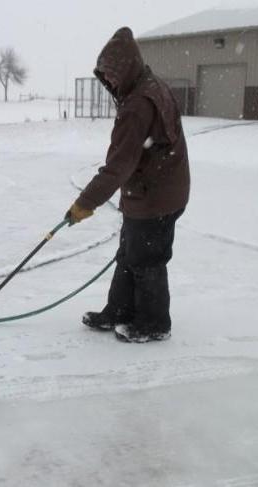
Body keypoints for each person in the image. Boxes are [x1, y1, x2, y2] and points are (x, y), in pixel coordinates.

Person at [65, 27, 190, 343]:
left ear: (125, 69)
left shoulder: (138, 103)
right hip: (156, 190)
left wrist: (84, 203)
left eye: (112, 75)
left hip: (156, 196)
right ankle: (119, 311)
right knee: (130, 254)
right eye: (106, 76)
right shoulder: (151, 86)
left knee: (146, 260)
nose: (111, 82)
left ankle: (153, 323)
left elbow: (118, 167)